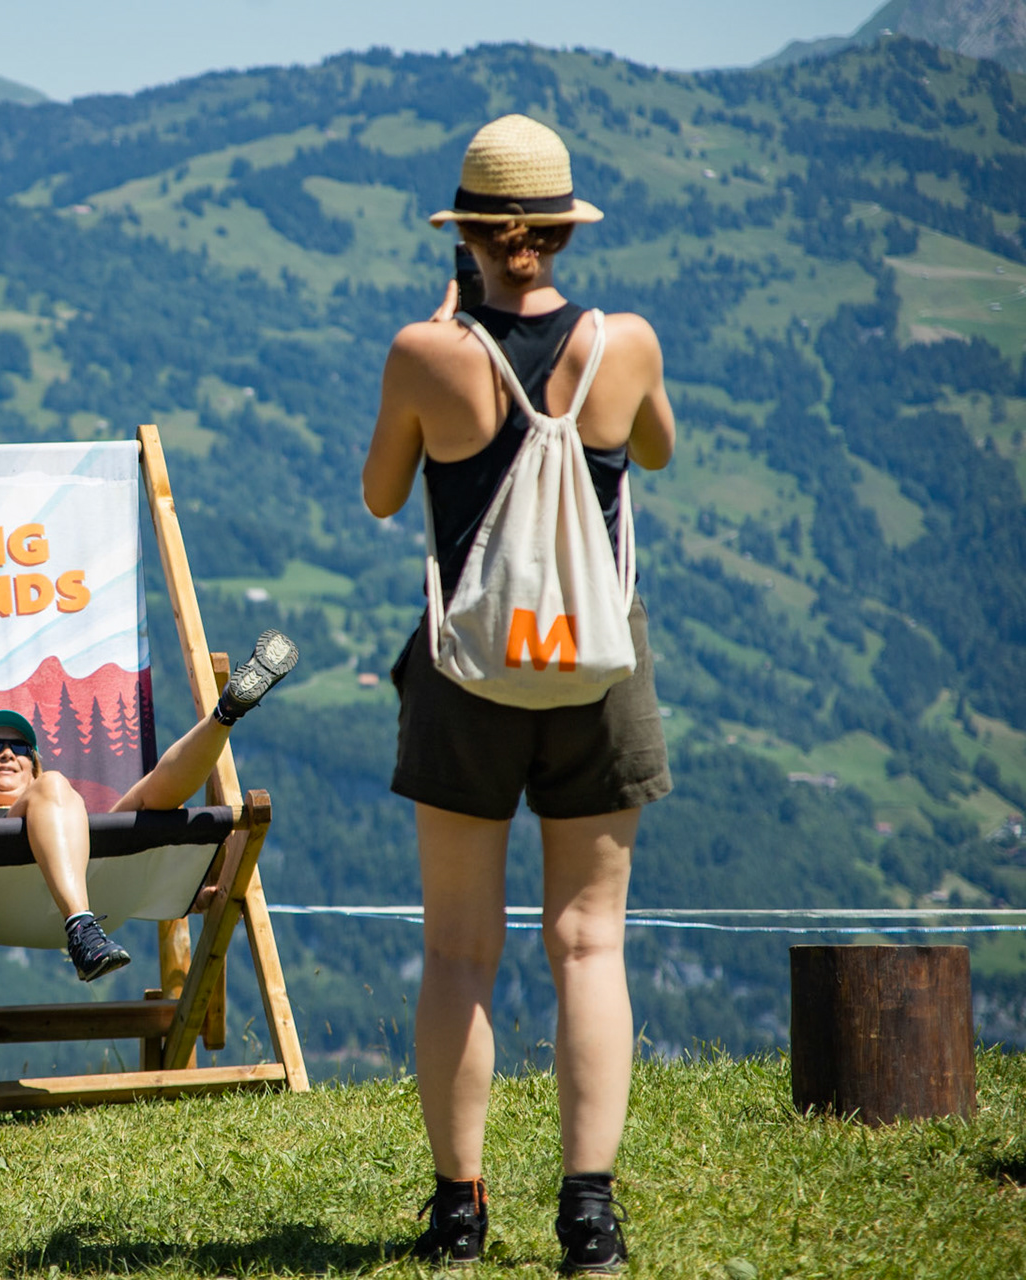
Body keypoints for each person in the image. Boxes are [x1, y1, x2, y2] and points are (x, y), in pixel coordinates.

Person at [361, 114, 675, 1275]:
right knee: (590, 944)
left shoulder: (423, 353)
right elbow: (660, 448)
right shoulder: (625, 341)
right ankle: (588, 1216)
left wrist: (449, 336)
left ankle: (458, 1213)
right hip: (597, 666)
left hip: (470, 675)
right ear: (559, 230)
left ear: (471, 239)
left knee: (459, 951)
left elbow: (385, 495)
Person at [0, 631, 298, 1023]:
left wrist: (173, 883)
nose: (7, 753)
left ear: (32, 766)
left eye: (21, 749)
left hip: (61, 884)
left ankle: (227, 712)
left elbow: (156, 792)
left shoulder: (59, 810)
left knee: (66, 791)